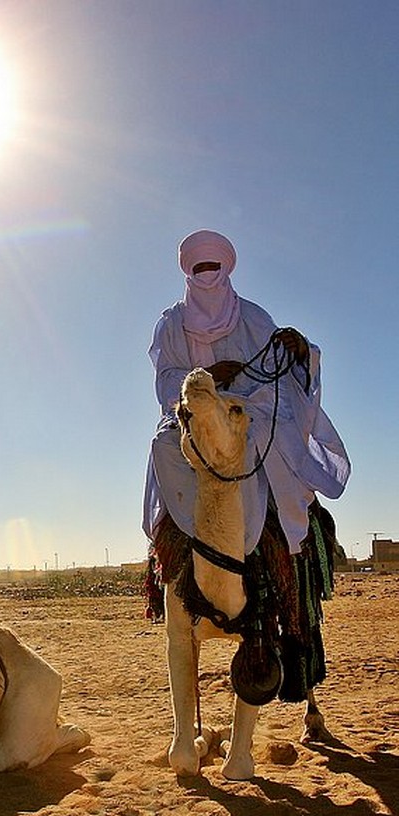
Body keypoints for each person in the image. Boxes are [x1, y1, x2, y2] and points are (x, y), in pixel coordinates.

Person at [143, 229, 350, 698]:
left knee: (274, 458)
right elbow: (165, 382)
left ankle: (281, 550)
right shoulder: (171, 324)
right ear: (187, 271)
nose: (207, 275)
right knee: (162, 448)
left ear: (228, 268)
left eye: (214, 266)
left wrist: (301, 353)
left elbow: (281, 364)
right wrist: (205, 381)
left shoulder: (253, 316)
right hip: (193, 415)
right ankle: (178, 541)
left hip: (248, 414)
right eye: (199, 268)